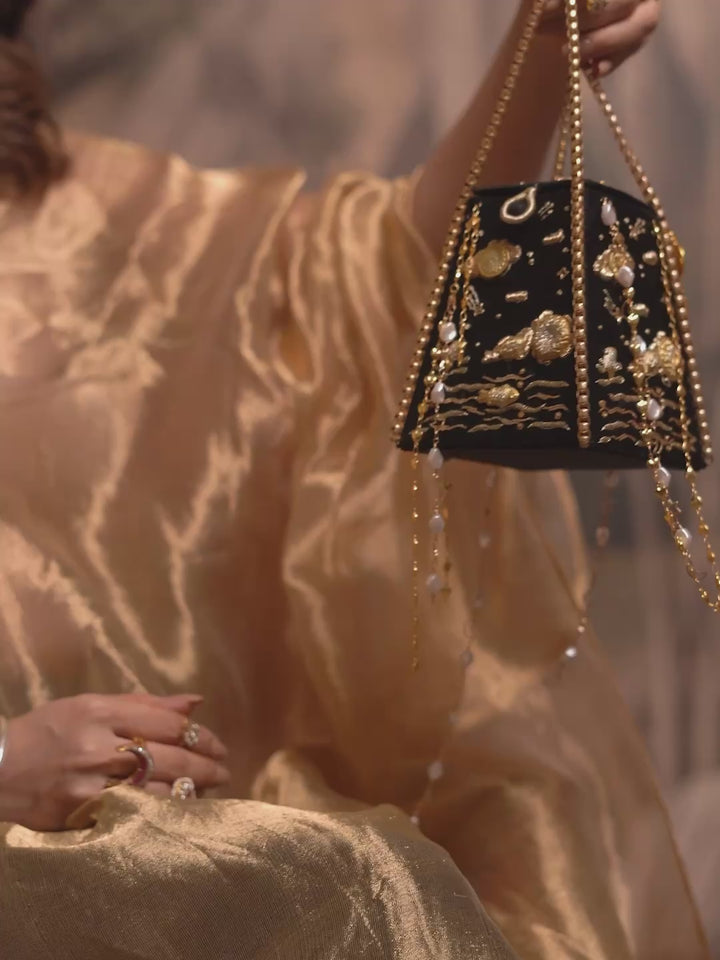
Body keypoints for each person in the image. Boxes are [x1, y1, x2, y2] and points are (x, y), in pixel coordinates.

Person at [0, 0, 709, 958]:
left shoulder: (142, 231)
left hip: (209, 867)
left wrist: (542, 48)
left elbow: (388, 293)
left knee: (367, 880)